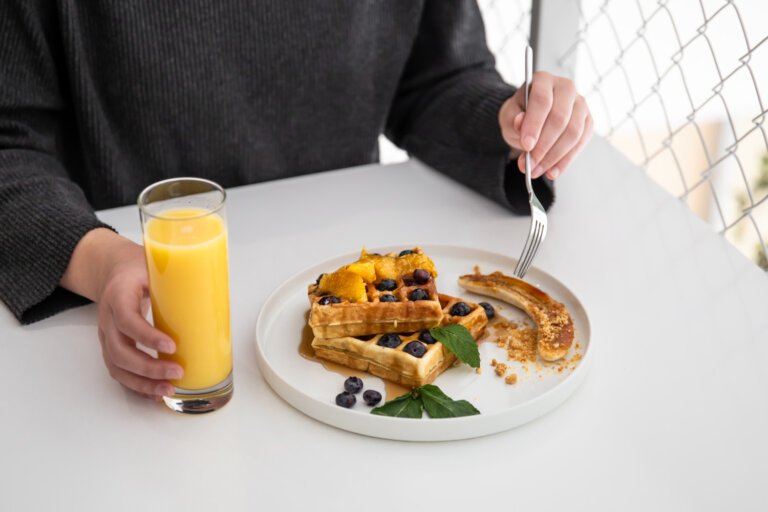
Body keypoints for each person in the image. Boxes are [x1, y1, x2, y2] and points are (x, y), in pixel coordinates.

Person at [0, 1, 592, 400]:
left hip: (338, 329)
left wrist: (510, 121)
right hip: (144, 314)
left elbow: (434, 77)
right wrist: (103, 262)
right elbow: (10, 138)